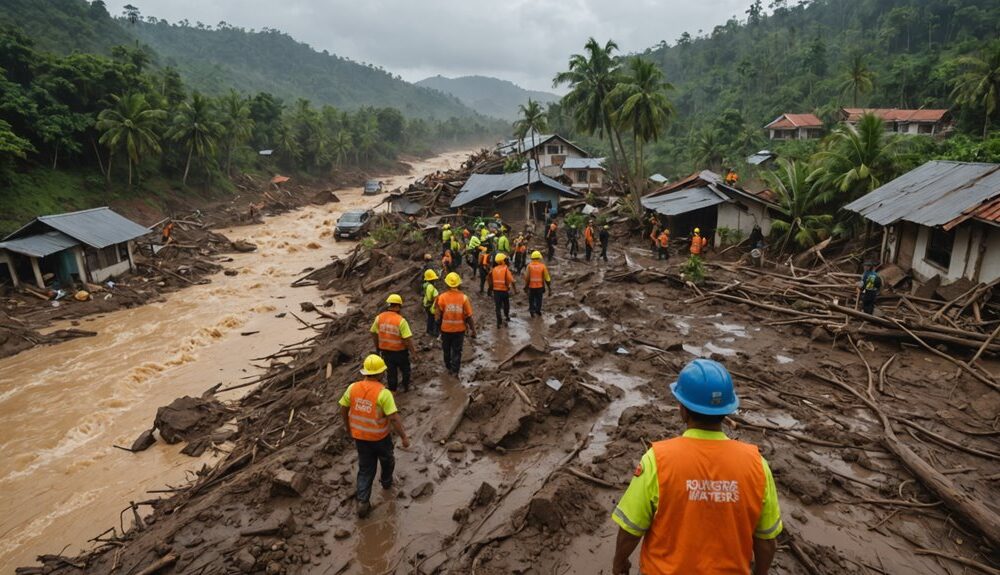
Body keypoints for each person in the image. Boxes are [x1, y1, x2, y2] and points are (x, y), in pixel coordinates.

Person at [611, 359, 782, 575]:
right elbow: (766, 540)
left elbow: (630, 528)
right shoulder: (757, 465)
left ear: (683, 409)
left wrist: (619, 563)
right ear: (727, 410)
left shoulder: (657, 460)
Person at [339, 354, 411, 518]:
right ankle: (386, 483)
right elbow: (393, 418)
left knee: (365, 469)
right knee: (387, 460)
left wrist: (348, 427)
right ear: (380, 374)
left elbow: (343, 408)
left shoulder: (352, 388)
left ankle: (363, 501)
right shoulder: (383, 393)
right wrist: (404, 437)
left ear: (365, 372)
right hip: (380, 438)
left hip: (361, 439)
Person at [370, 294, 416, 393]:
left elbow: (373, 332)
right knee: (405, 370)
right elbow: (407, 339)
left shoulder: (379, 318)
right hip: (400, 352)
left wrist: (377, 346)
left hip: (386, 352)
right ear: (398, 306)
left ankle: (392, 391)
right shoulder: (401, 321)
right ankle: (406, 387)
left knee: (391, 372)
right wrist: (414, 353)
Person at [434, 272, 477, 375]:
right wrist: (473, 330)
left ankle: (448, 366)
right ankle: (455, 371)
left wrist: (438, 327)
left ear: (447, 284)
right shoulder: (464, 298)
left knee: (446, 350)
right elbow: (469, 316)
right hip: (459, 330)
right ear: (458, 284)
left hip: (446, 330)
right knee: (457, 351)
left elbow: (437, 315)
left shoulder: (442, 297)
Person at [488, 253, 517, 328]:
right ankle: (506, 316)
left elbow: (489, 279)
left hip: (496, 291)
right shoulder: (505, 269)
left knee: (497, 307)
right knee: (506, 305)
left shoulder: (493, 269)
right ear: (503, 261)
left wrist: (490, 289)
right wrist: (515, 290)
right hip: (504, 290)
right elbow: (512, 280)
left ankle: (499, 322)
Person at [524, 250, 552, 317]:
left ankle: (531, 311)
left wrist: (526, 286)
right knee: (539, 299)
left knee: (531, 299)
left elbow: (527, 277)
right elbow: (547, 278)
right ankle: (538, 310)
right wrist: (549, 288)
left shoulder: (529, 266)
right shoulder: (542, 266)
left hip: (531, 287)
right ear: (539, 258)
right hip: (540, 286)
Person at [422, 270, 439, 337]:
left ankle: (429, 330)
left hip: (426, 304)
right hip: (431, 305)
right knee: (434, 319)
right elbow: (433, 298)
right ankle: (434, 332)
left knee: (430, 318)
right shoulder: (431, 287)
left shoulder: (425, 285)